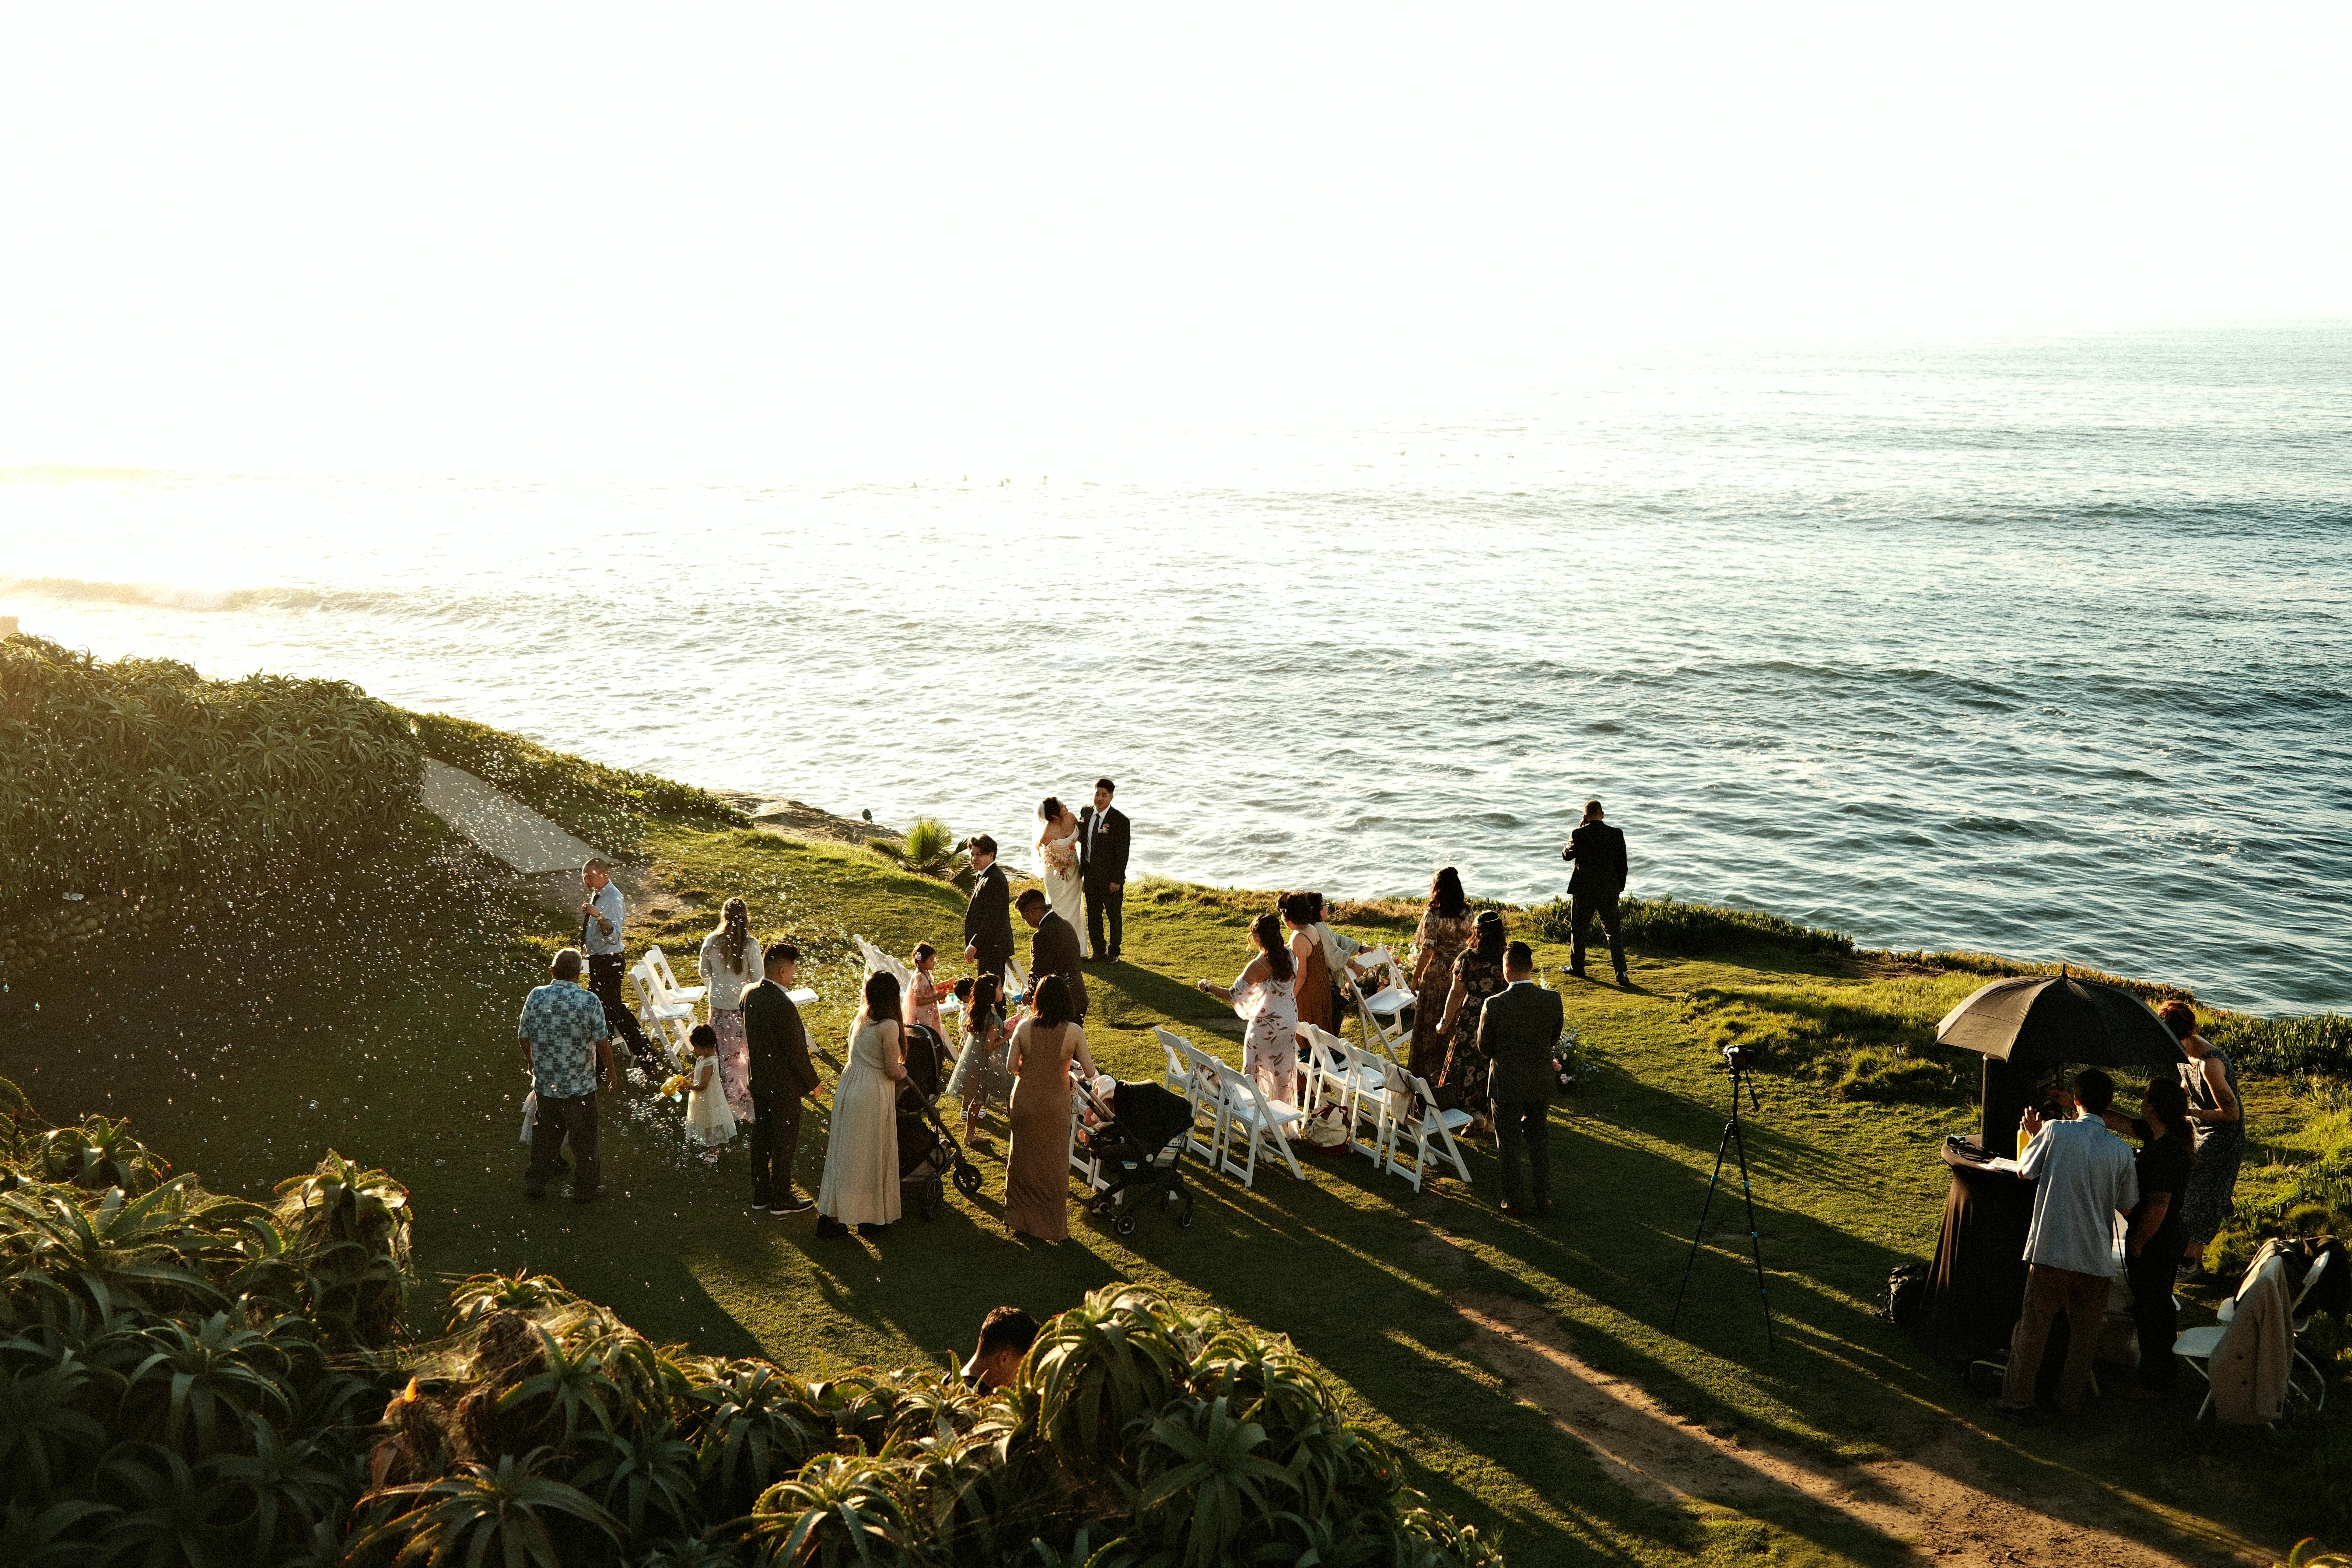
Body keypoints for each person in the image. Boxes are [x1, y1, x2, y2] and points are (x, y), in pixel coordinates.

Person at [1995, 1069, 2139, 1420]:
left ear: (2075, 1100)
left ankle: (2018, 1400)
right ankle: (2070, 1403)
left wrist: (2034, 1135)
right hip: (2095, 1259)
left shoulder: (2056, 1132)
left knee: (2033, 1330)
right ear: (2109, 1104)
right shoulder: (2121, 1151)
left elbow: (2025, 1171)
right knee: (2083, 1341)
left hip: (2052, 1251)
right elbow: (2127, 1203)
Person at [2116, 1078, 2197, 1399]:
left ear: (2153, 1107)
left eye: (2146, 1096)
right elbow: (2121, 1121)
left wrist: (2138, 1242)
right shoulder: (2161, 1136)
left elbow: (2158, 1207)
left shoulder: (2166, 1153)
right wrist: (2074, 1104)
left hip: (2157, 1241)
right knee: (2159, 1305)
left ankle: (2155, 1380)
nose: (2142, 1100)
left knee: (2152, 1309)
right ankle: (2163, 1371)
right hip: (2166, 1238)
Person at [1003, 974, 1097, 1242]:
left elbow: (1012, 1067)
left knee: (1022, 1159)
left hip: (1024, 1100)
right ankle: (1053, 1227)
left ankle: (1018, 1218)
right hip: (1054, 1103)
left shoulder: (1023, 1027)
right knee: (1053, 1163)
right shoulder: (1074, 1032)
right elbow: (1090, 1071)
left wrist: (1032, 1070)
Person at [817, 971, 910, 1238]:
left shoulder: (862, 1017)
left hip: (850, 1086)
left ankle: (835, 1216)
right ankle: (868, 1217)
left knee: (847, 1154)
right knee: (869, 1154)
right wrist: (904, 1072)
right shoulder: (889, 1025)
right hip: (871, 1090)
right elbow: (892, 1069)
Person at [518, 948, 613, 1203]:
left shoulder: (536, 996)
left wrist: (532, 1062)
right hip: (580, 1088)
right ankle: (586, 1189)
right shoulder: (589, 1000)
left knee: (546, 1136)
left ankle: (536, 1183)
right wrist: (612, 1071)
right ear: (580, 973)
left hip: (547, 1086)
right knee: (585, 1141)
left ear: (552, 971)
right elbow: (603, 1041)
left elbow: (523, 1036)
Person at [1479, 942, 1564, 1218]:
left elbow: (1485, 1047)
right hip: (1539, 1079)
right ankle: (1545, 1196)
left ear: (1507, 970)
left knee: (1509, 1142)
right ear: (1531, 967)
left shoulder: (1494, 1005)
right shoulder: (1553, 1000)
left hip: (1507, 1082)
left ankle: (1514, 1200)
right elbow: (1553, 1038)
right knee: (1539, 1138)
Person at [2161, 1001, 2243, 1276]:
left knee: (2202, 1194)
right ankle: (2187, 1257)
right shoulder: (2183, 1053)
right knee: (2192, 1190)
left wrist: (2188, 1111)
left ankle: (2192, 1261)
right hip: (2199, 1128)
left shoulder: (2210, 1065)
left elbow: (2232, 1114)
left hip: (2222, 1136)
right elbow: (2186, 1084)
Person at [743, 940, 824, 1215]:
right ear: (781, 972)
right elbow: (796, 1051)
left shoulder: (749, 994)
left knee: (762, 1136)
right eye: (792, 970)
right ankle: (781, 1198)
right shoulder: (783, 1004)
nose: (794, 975)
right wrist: (814, 1083)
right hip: (784, 1086)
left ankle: (761, 1194)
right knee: (785, 1141)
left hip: (759, 1082)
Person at [1195, 913, 1298, 1104]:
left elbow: (1233, 996)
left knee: (1253, 1074)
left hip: (1265, 1028)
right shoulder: (1290, 955)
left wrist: (1208, 986)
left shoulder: (1258, 966)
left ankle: (1256, 1117)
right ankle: (1281, 1119)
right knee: (1283, 1072)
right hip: (1289, 1021)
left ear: (1258, 938)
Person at [579, 857, 660, 1076]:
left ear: (604, 874)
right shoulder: (598, 894)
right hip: (600, 959)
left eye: (591, 875)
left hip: (610, 961)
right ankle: (612, 1063)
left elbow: (614, 936)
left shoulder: (613, 899)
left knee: (611, 1011)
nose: (586, 880)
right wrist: (586, 947)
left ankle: (643, 1056)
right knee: (609, 1011)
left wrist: (599, 916)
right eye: (584, 876)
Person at [1437, 910, 1510, 1133]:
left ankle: (1474, 1116)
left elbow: (1456, 993)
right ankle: (1490, 1118)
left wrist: (1445, 1021)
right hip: (1500, 1016)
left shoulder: (1467, 958)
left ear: (1477, 931)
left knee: (1466, 1064)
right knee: (1493, 1065)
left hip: (1473, 1019)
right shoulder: (1508, 958)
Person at [697, 897, 762, 1122]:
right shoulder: (751, 944)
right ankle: (738, 1095)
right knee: (739, 1056)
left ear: (723, 916)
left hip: (718, 1007)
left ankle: (725, 1098)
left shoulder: (712, 941)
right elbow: (758, 978)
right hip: (741, 1008)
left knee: (721, 1054)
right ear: (746, 917)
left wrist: (720, 975)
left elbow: (704, 972)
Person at [1408, 869, 1475, 1082]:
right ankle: (1451, 1069)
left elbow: (1427, 950)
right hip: (1461, 972)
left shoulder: (1433, 916)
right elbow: (1471, 942)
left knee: (1430, 1022)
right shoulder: (1467, 913)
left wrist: (1416, 977)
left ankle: (1426, 1070)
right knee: (1453, 1018)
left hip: (1438, 973)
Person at [1560, 800, 1629, 986]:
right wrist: (1618, 887)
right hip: (1609, 890)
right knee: (1613, 931)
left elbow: (1567, 855)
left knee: (1579, 929)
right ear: (1603, 815)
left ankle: (1578, 967)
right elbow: (1623, 865)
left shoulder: (1579, 834)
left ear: (1585, 817)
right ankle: (1621, 972)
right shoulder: (1616, 834)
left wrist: (1572, 836)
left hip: (1584, 890)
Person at [947, 974, 1012, 1145]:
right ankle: (1015, 1131)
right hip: (989, 1062)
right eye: (999, 988)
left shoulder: (982, 1011)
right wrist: (1007, 1036)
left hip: (978, 1061)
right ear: (991, 993)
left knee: (978, 1098)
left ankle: (970, 1135)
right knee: (1007, 1091)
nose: (1002, 991)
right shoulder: (993, 1019)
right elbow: (989, 1047)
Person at [1018, 887, 1089, 1022]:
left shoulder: (1041, 936)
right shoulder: (1065, 924)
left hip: (1059, 1001)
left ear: (1032, 912)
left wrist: (1030, 993)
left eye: (1025, 918)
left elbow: (1039, 970)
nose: (1026, 922)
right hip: (1078, 995)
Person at [1079, 777, 1131, 961]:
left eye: (1104, 795)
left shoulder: (1120, 821)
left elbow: (1122, 853)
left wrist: (1117, 880)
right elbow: (1082, 837)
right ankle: (1098, 950)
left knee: (1113, 915)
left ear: (1111, 798)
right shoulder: (1086, 812)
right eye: (1097, 794)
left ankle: (1114, 952)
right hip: (1090, 875)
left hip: (1110, 878)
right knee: (1093, 915)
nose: (1099, 798)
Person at [962, 835, 1015, 991]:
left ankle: (997, 1016)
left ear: (991, 855)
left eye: (979, 855)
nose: (974, 858)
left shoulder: (995, 880)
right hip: (989, 946)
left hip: (994, 946)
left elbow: (993, 918)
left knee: (993, 991)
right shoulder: (984, 875)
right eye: (972, 854)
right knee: (988, 989)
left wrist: (974, 944)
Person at [682, 1023, 736, 1165]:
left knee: (712, 1123)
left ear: (706, 1047)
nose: (694, 1050)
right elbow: (697, 1072)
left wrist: (689, 1087)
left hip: (709, 1098)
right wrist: (686, 1078)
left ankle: (714, 1152)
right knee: (706, 1122)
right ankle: (712, 1150)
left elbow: (703, 1085)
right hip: (704, 1099)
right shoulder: (703, 1059)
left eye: (696, 1047)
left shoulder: (709, 1063)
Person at [1281, 892, 1335, 1035]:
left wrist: (1291, 997)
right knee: (1323, 1035)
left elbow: (1302, 974)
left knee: (1309, 1037)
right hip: (1322, 989)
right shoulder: (1312, 928)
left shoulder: (1298, 938)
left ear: (1288, 916)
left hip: (1309, 995)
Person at [1033, 797, 1086, 934]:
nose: (1066, 807)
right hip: (1056, 875)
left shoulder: (1071, 818)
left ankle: (1077, 948)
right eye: (1062, 807)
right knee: (1058, 908)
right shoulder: (1047, 834)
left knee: (1075, 907)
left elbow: (1082, 838)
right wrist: (1058, 862)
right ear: (1055, 816)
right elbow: (1042, 853)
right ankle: (1059, 942)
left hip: (1074, 869)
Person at [962, 1305, 1041, 1391]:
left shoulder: (949, 1381)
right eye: (1020, 1368)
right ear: (1005, 1359)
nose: (1018, 1377)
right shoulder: (979, 1401)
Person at [907, 943, 945, 1040]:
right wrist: (937, 997)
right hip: (923, 1016)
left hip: (929, 1012)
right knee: (927, 1036)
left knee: (932, 1035)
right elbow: (919, 1001)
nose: (934, 963)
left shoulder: (925, 973)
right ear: (922, 962)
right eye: (932, 960)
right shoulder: (920, 978)